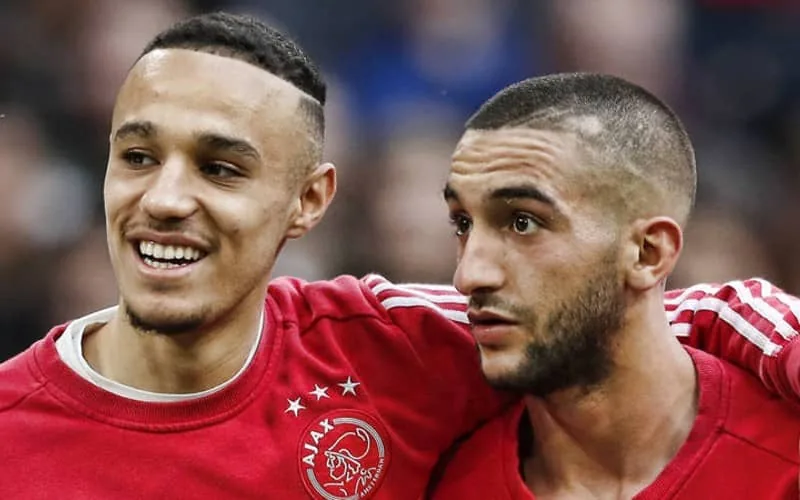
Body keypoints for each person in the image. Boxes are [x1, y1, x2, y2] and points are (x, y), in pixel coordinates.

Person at [0, 12, 797, 500]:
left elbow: (637, 311)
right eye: (137, 157)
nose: (166, 198)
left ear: (310, 200)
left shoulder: (388, 344)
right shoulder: (12, 431)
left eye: (221, 168)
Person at [427, 73, 800, 499]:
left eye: (523, 222)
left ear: (647, 253)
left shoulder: (786, 459)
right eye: (462, 223)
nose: (468, 275)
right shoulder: (438, 481)